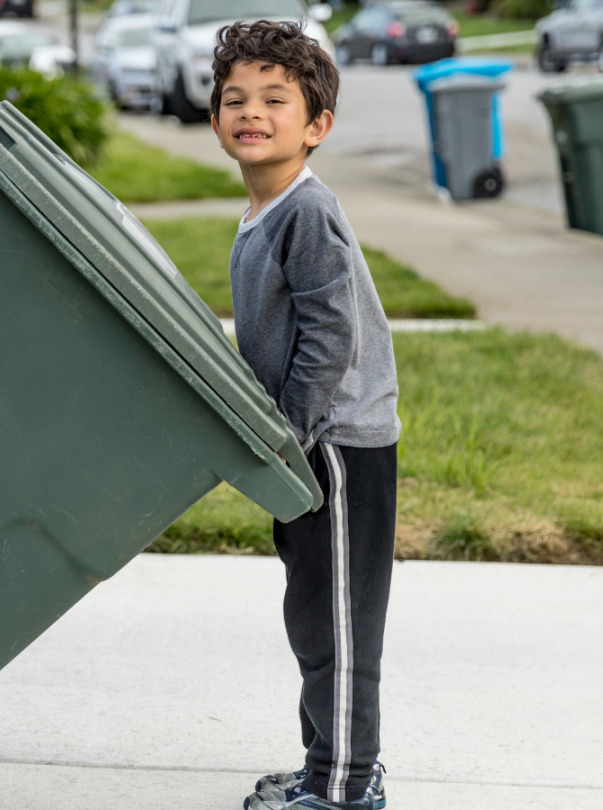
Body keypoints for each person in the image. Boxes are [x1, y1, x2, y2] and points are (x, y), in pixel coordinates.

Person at [209, 19, 401, 810]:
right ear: (216, 120)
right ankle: (326, 766)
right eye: (234, 99)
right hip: (307, 447)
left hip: (337, 448)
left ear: (316, 125)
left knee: (344, 630)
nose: (250, 112)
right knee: (315, 623)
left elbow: (330, 336)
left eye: (274, 100)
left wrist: (288, 434)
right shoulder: (264, 212)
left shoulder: (306, 211)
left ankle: (350, 786)